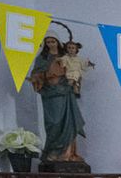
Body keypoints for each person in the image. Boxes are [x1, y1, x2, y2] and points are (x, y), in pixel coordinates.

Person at [29, 33, 85, 166]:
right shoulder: (42, 58)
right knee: (53, 122)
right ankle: (52, 151)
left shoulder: (66, 56)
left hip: (65, 92)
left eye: (53, 41)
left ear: (58, 42)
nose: (51, 44)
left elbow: (75, 70)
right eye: (48, 42)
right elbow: (36, 73)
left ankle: (66, 154)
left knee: (68, 122)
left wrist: (73, 80)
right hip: (50, 94)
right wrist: (41, 77)